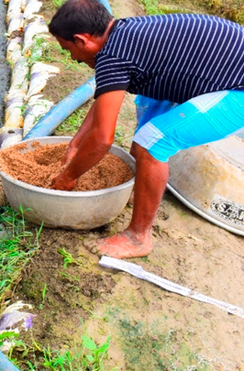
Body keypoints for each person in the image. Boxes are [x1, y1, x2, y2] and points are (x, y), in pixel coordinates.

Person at [47, 0, 244, 259]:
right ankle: (139, 187)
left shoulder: (113, 56)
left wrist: (67, 178)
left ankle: (138, 238)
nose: (72, 57)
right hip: (219, 71)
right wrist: (75, 144)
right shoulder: (122, 33)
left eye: (68, 49)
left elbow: (102, 141)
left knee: (151, 145)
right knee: (147, 103)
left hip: (236, 89)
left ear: (82, 40)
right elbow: (104, 98)